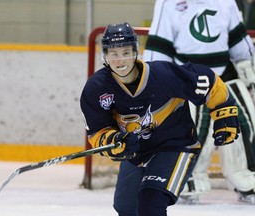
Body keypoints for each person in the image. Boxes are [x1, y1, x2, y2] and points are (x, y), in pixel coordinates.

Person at [80, 22, 240, 216]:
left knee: (150, 202)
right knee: (126, 208)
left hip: (175, 147)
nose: (120, 60)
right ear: (105, 55)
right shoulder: (96, 89)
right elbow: (98, 131)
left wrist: (225, 111)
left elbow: (209, 81)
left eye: (126, 52)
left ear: (136, 52)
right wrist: (114, 141)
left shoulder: (162, 75)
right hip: (137, 154)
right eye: (114, 54)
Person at [143, 0, 255, 203]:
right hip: (187, 78)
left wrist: (249, 72)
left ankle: (247, 180)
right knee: (193, 127)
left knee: (244, 122)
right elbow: (158, 47)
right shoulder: (168, 3)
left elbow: (239, 42)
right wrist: (154, 85)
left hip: (224, 78)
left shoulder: (226, 1)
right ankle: (187, 178)